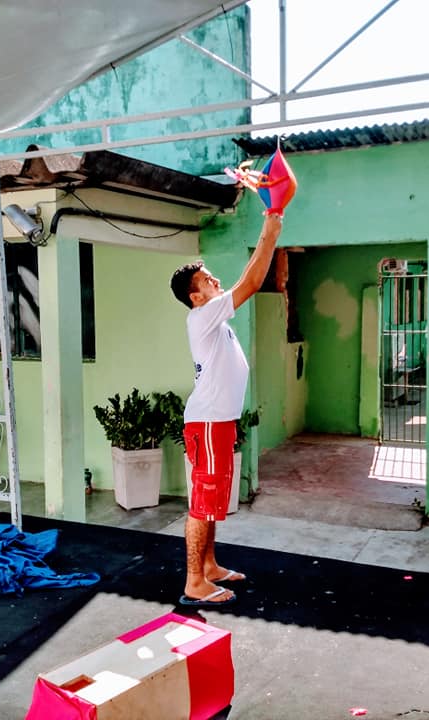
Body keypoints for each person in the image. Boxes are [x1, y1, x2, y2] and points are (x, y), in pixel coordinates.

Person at [169, 213, 283, 606]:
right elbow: (250, 282)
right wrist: (269, 232)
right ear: (196, 297)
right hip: (208, 422)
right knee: (203, 504)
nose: (215, 280)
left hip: (217, 422)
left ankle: (210, 566)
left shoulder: (214, 322)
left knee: (213, 501)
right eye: (207, 280)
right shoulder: (202, 316)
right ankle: (194, 582)